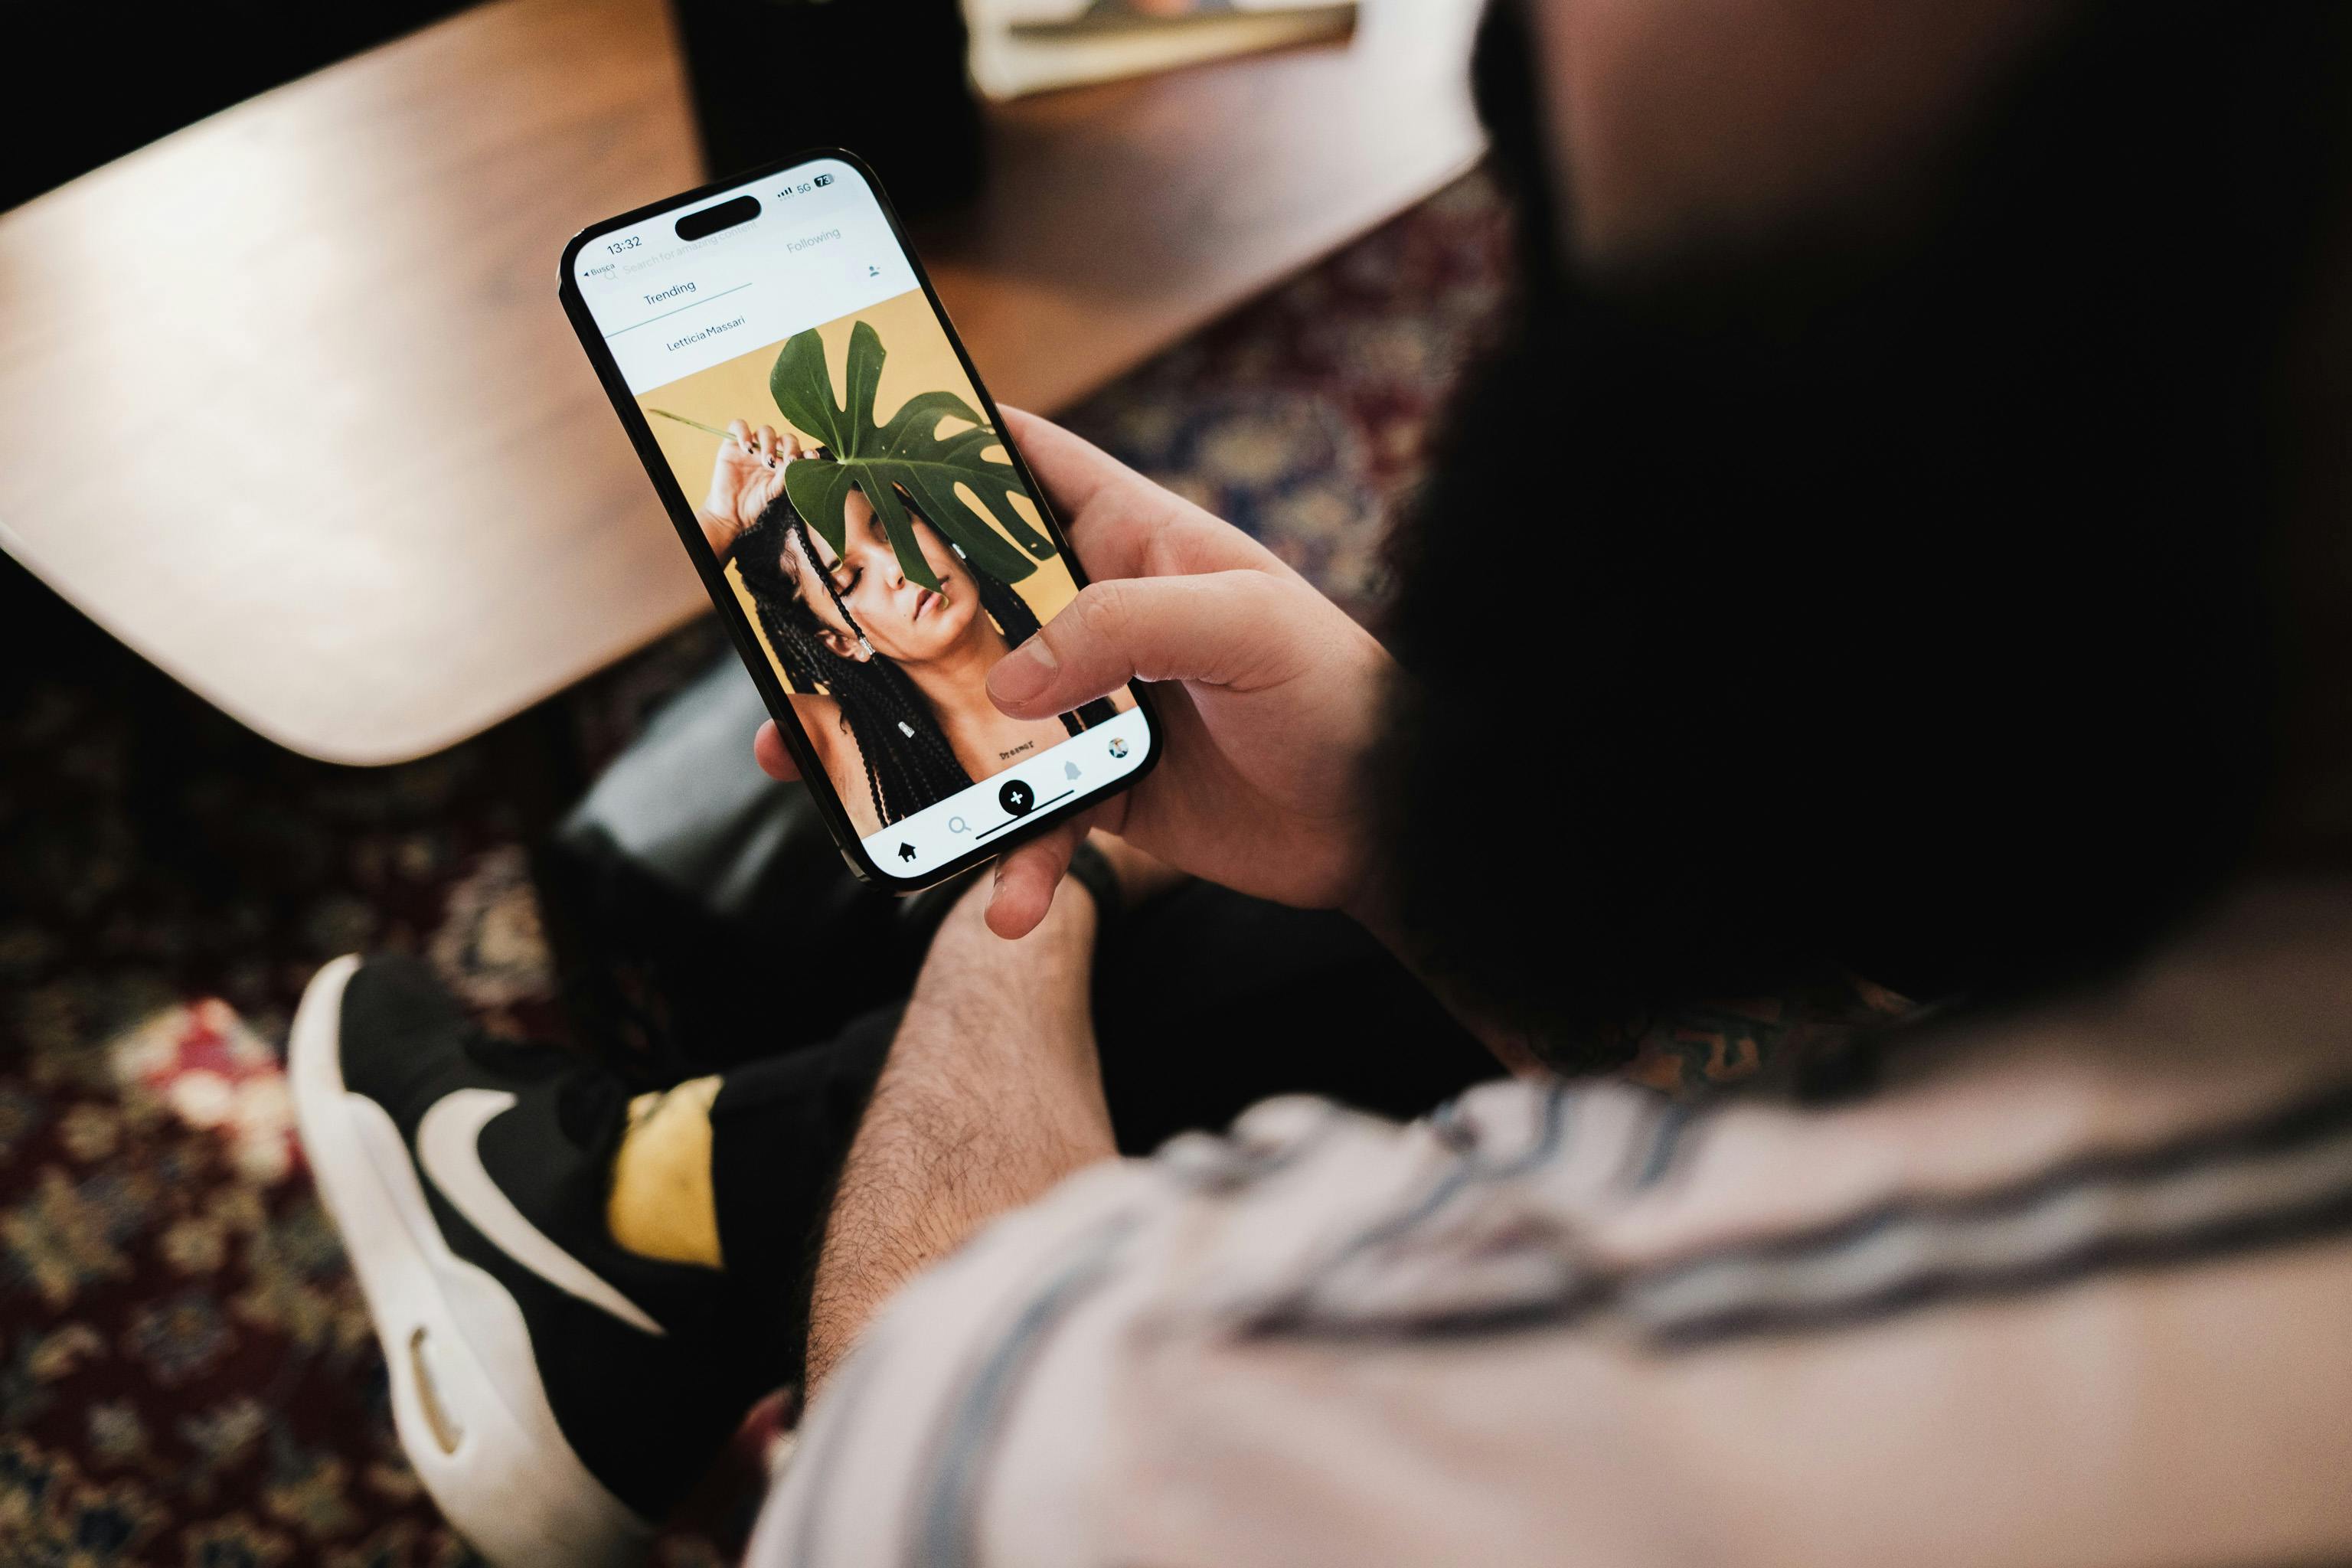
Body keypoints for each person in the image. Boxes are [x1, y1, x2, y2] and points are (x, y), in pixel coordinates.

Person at [291, 0, 2352, 1563]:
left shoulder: (1156, 1431)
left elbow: (932, 1427)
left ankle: (634, 1222)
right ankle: (632, 1222)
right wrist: (1402, 842)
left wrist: (1024, 922)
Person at [695, 421, 1124, 835]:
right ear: (842, 643)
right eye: (851, 579)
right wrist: (720, 521)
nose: (897, 566)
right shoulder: (842, 742)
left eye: (892, 527)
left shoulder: (1112, 675)